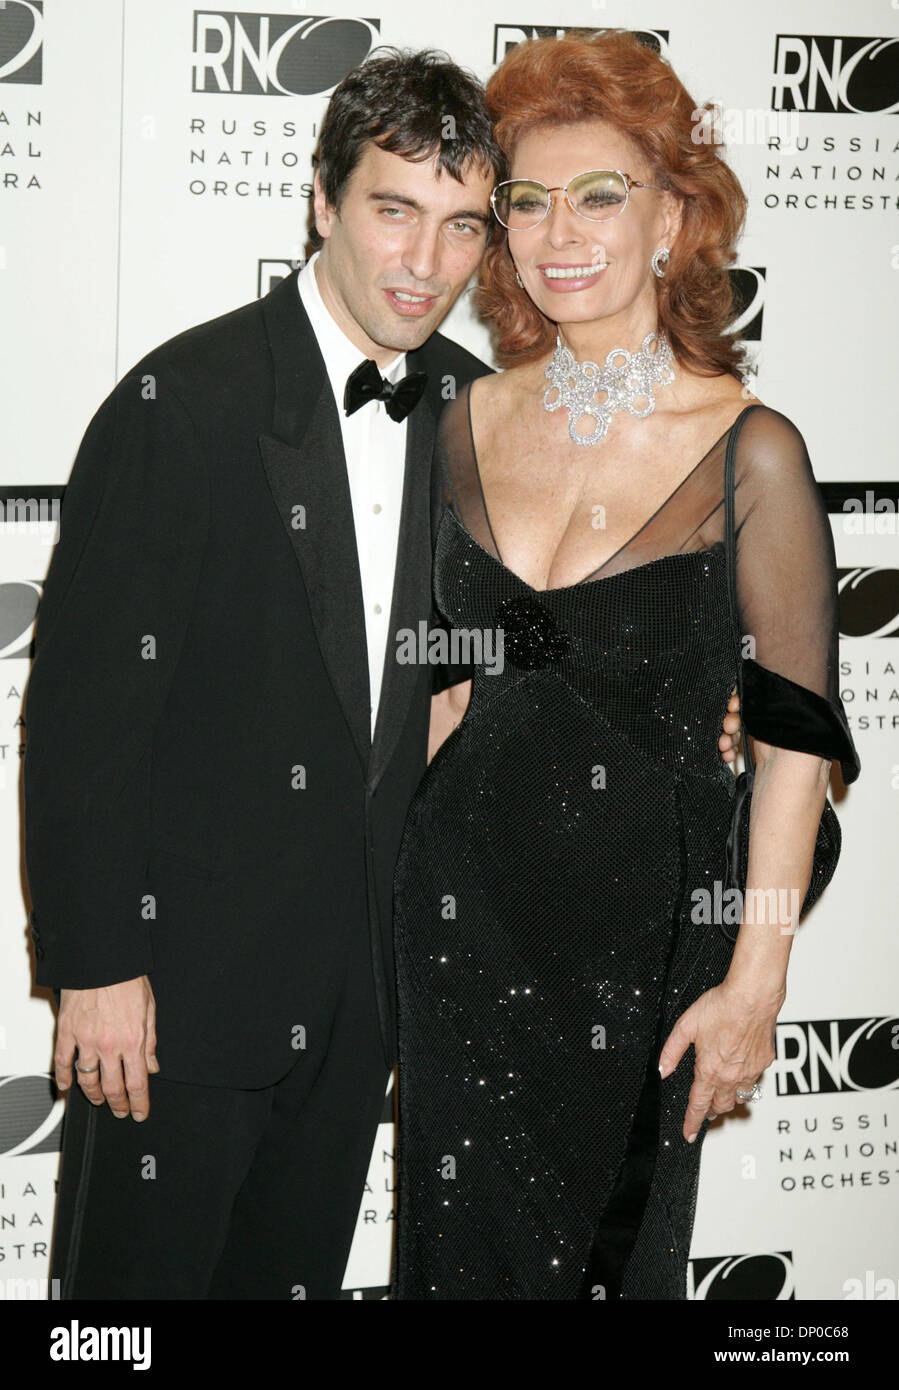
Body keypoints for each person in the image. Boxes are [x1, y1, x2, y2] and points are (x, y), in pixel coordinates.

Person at [24, 44, 740, 1301]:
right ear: (321, 201)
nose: (424, 263)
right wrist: (94, 968)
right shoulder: (181, 402)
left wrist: (697, 700)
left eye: (464, 225)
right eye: (393, 211)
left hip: (371, 997)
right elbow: (83, 716)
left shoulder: (480, 421)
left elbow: (509, 644)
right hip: (176, 998)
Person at [391, 30, 861, 1301]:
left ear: (673, 217)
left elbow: (789, 735)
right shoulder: (453, 422)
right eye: (528, 201)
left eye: (601, 194)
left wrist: (756, 974)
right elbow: (437, 692)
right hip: (454, 935)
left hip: (641, 946)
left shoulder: (747, 450)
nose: (560, 232)